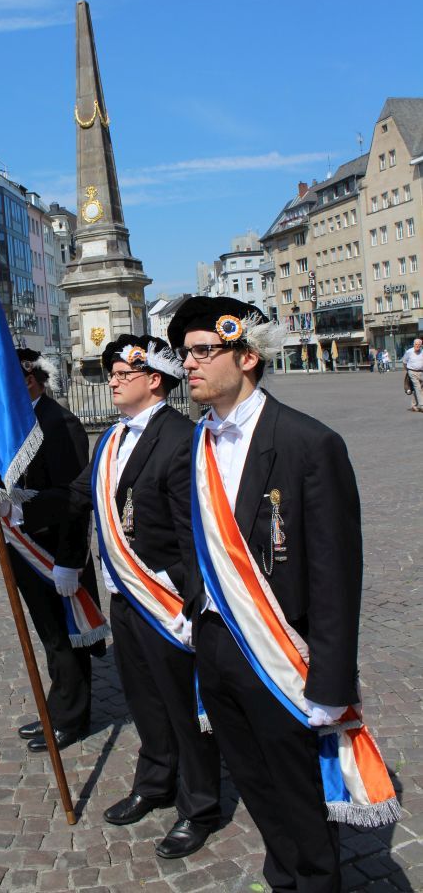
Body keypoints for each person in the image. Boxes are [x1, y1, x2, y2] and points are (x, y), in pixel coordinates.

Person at [168, 296, 398, 893]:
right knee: (254, 783)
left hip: (281, 656)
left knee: (299, 797)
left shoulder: (307, 443)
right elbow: (188, 537)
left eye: (200, 352)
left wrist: (331, 685)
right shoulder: (197, 440)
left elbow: (335, 574)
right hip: (218, 646)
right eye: (183, 354)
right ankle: (283, 879)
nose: (187, 365)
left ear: (246, 357)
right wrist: (197, 602)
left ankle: (315, 882)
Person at [20, 336, 221, 860]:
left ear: (154, 379)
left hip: (167, 598)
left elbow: (196, 531)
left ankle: (199, 805)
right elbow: (78, 496)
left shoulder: (182, 438)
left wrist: (192, 604)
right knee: (144, 698)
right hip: (125, 593)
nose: (111, 379)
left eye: (121, 372)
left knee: (183, 706)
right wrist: (14, 504)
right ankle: (155, 782)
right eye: (109, 371)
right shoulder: (112, 436)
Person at [0, 350, 105, 753]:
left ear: (38, 377)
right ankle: (58, 707)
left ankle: (72, 718)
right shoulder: (9, 422)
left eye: (26, 376)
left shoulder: (59, 421)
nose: (20, 384)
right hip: (23, 545)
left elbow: (73, 497)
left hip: (53, 549)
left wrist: (70, 560)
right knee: (49, 634)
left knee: (68, 635)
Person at [402, 337, 423, 412]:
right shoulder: (409, 352)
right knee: (417, 388)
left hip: (421, 372)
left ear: (421, 345)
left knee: (420, 389)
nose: (417, 346)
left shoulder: (422, 352)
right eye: (416, 344)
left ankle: (413, 405)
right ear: (413, 344)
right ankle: (421, 405)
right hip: (412, 371)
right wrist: (408, 371)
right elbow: (404, 362)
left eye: (419, 344)